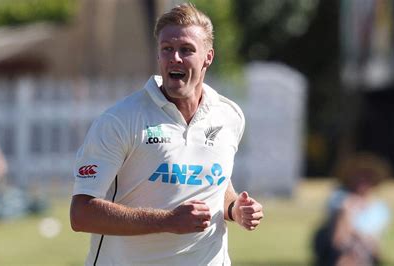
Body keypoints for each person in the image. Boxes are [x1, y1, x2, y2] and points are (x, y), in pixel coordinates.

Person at [70, 3, 264, 265]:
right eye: (167, 49)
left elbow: (215, 182)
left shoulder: (229, 116)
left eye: (186, 50)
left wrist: (234, 209)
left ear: (208, 56)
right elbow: (82, 214)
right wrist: (168, 220)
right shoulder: (120, 120)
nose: (175, 58)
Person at [313, 152, 393, 266]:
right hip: (339, 247)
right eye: (359, 177)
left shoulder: (380, 208)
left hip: (365, 247)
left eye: (367, 177)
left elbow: (375, 238)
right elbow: (338, 236)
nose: (362, 181)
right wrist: (348, 209)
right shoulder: (340, 197)